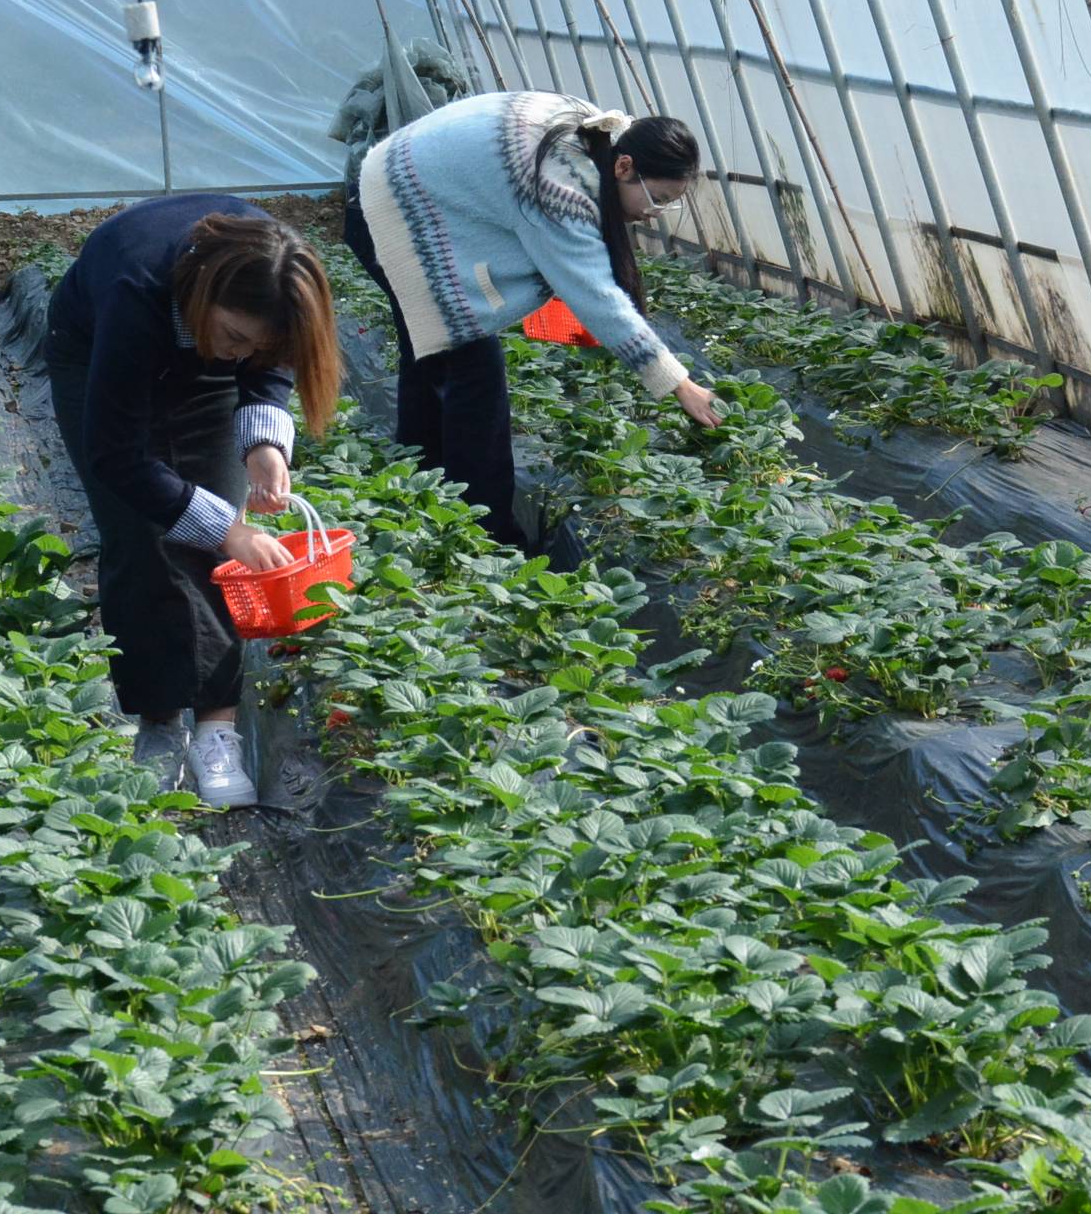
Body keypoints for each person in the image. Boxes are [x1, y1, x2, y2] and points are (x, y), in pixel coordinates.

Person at [43, 195, 339, 806]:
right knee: (139, 534)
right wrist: (229, 528)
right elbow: (116, 456)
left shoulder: (274, 285)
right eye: (235, 336)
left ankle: (217, 729)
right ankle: (158, 723)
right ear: (206, 295)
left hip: (195, 334)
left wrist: (264, 445)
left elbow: (265, 358)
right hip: (94, 348)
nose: (241, 353)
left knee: (214, 554)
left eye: (254, 345)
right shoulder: (137, 287)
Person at [342, 90, 721, 552]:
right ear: (623, 168)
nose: (653, 214)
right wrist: (678, 382)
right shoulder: (560, 184)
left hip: (401, 184)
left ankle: (420, 484)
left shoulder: (592, 133)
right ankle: (486, 537)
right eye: (657, 198)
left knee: (433, 354)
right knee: (474, 371)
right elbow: (595, 294)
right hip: (389, 208)